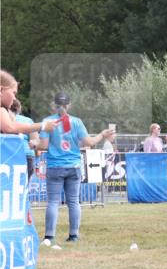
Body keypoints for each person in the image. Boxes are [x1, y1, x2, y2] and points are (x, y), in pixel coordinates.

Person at [36, 92, 113, 245]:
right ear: (69, 105)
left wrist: (34, 144)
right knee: (73, 202)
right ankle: (73, 235)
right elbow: (90, 142)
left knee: (53, 202)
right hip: (74, 166)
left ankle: (49, 237)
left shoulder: (48, 122)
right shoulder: (77, 122)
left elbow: (43, 145)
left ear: (54, 105)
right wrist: (102, 134)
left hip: (55, 166)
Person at [0, 70, 56, 137]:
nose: (14, 98)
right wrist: (42, 125)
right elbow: (10, 127)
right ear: (1, 90)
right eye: (13, 93)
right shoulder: (2, 110)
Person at [10, 99, 39, 180]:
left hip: (8, 154)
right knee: (24, 184)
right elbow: (35, 141)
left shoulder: (4, 120)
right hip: (27, 155)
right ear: (19, 108)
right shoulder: (28, 121)